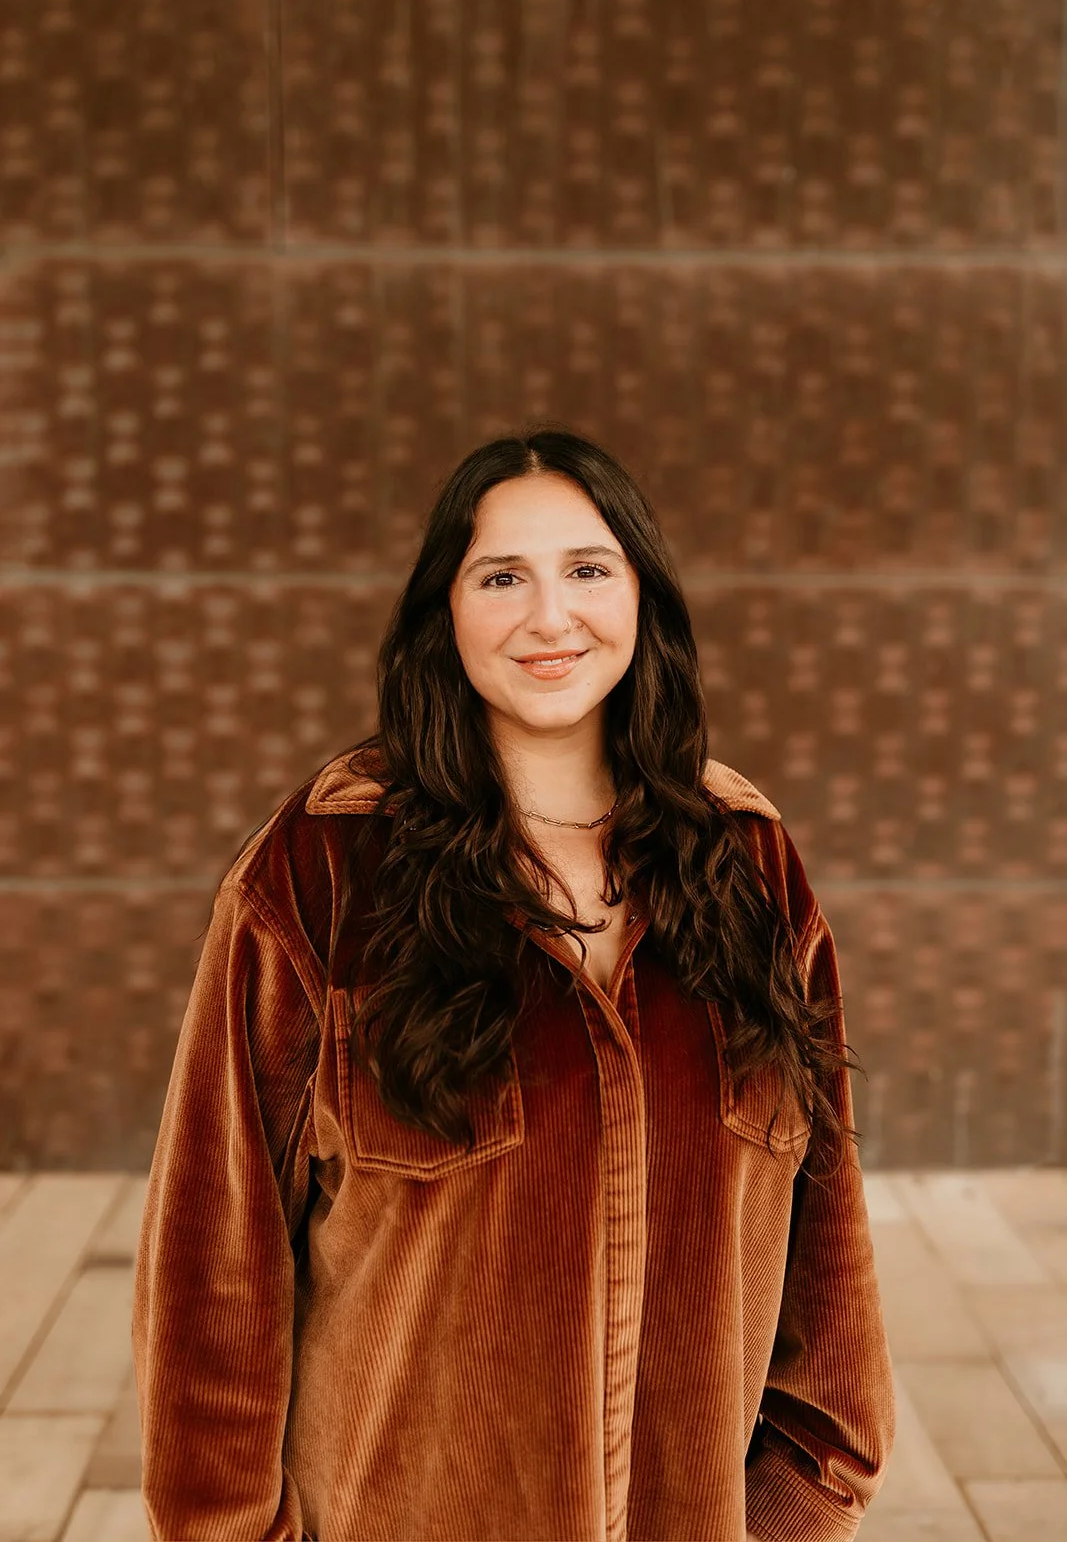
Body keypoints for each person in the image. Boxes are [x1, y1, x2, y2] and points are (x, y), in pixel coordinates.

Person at [132, 427, 895, 1542]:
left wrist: (787, 1512)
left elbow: (829, 1252)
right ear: (445, 610)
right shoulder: (320, 876)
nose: (551, 617)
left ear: (642, 597)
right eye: (502, 577)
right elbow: (213, 1274)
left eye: (588, 569)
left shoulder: (747, 866)